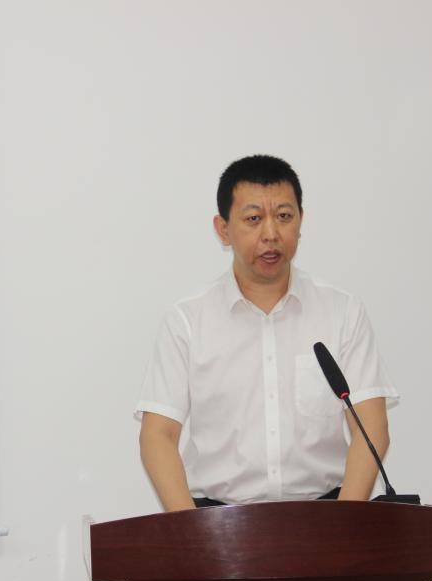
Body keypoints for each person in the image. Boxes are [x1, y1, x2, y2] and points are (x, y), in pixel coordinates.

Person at [136, 154, 399, 511]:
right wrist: (191, 533)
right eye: (254, 219)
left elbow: (372, 426)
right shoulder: (187, 320)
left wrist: (344, 527)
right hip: (217, 520)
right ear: (223, 229)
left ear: (301, 221)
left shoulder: (342, 312)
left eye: (284, 216)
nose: (271, 234)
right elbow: (158, 437)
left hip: (326, 514)